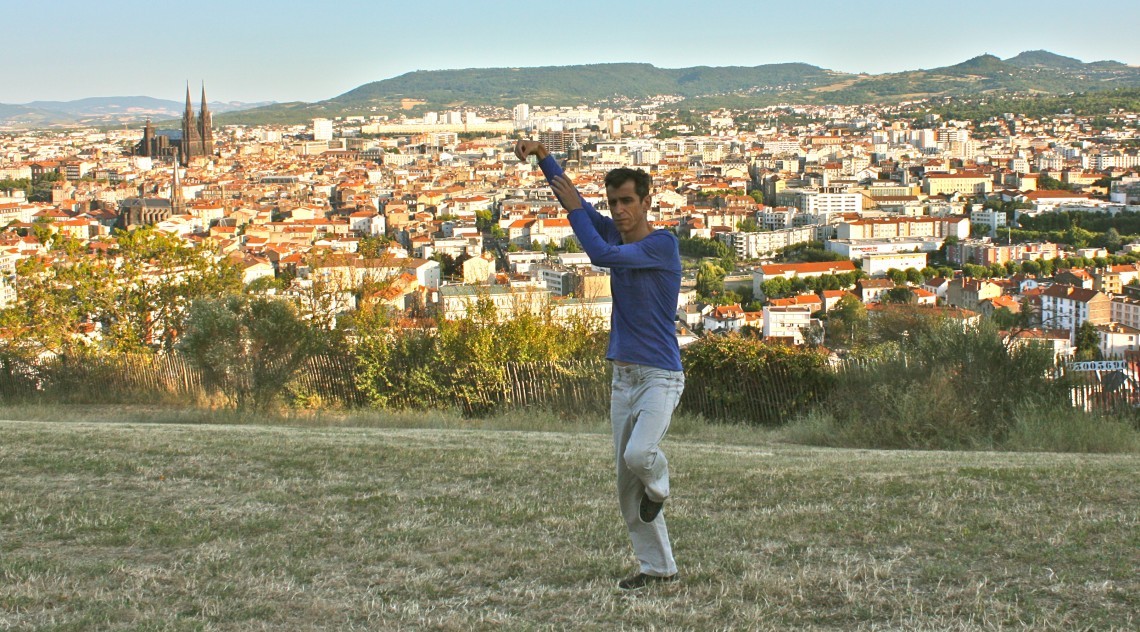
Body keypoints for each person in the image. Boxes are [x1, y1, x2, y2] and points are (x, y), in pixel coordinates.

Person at [514, 139, 685, 590]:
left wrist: (576, 211)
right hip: (622, 377)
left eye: (628, 201)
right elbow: (576, 203)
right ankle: (658, 569)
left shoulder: (661, 245)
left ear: (647, 201)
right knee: (626, 489)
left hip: (660, 376)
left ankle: (661, 485)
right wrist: (542, 156)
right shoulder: (613, 232)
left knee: (640, 456)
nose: (620, 210)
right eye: (613, 204)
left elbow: (598, 253)